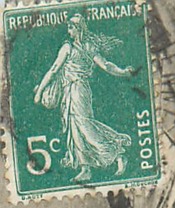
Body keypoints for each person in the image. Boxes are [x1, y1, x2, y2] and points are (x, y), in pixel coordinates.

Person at [33, 13, 135, 183]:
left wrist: (123, 72)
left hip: (78, 90)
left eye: (71, 27)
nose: (68, 30)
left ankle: (116, 154)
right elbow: (54, 70)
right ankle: (85, 168)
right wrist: (123, 72)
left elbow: (105, 65)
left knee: (84, 125)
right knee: (75, 128)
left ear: (78, 28)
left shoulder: (78, 47)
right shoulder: (77, 47)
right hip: (71, 90)